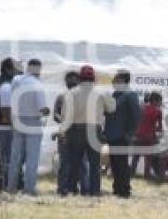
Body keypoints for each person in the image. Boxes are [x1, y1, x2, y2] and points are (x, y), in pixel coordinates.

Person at [61, 65, 116, 196]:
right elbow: (112, 108)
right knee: (94, 163)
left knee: (74, 162)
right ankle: (94, 191)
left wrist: (63, 131)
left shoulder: (71, 93)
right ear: (94, 78)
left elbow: (65, 114)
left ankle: (71, 190)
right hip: (94, 130)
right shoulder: (102, 92)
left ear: (80, 78)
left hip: (75, 130)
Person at [6, 59, 50, 195]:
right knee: (32, 157)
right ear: (39, 69)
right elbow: (42, 108)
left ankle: (11, 187)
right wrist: (47, 111)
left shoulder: (16, 80)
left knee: (16, 156)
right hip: (33, 122)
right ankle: (29, 188)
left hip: (17, 119)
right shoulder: (37, 85)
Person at [104, 70, 141, 198]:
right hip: (112, 135)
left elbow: (136, 116)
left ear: (124, 81)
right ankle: (117, 188)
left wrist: (130, 133)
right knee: (114, 163)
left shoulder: (130, 95)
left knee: (122, 163)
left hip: (122, 136)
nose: (113, 82)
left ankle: (124, 190)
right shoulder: (115, 94)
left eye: (116, 80)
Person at [0, 58, 18, 192]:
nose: (17, 71)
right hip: (4, 125)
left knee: (5, 154)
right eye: (15, 68)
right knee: (6, 155)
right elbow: (5, 108)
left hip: (1, 124)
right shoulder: (6, 85)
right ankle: (2, 183)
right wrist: (12, 124)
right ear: (8, 69)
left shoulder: (3, 82)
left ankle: (2, 182)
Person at [53, 70, 81, 195]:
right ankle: (63, 188)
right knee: (64, 162)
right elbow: (55, 115)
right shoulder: (61, 97)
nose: (71, 82)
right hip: (65, 133)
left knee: (78, 162)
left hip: (79, 134)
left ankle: (73, 187)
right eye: (69, 79)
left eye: (74, 79)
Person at [132, 92, 164, 179]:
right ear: (155, 101)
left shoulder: (141, 108)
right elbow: (160, 128)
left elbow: (135, 121)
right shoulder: (158, 112)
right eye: (160, 101)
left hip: (138, 135)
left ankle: (132, 173)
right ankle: (147, 175)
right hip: (149, 137)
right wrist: (154, 129)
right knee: (148, 158)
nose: (161, 103)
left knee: (135, 157)